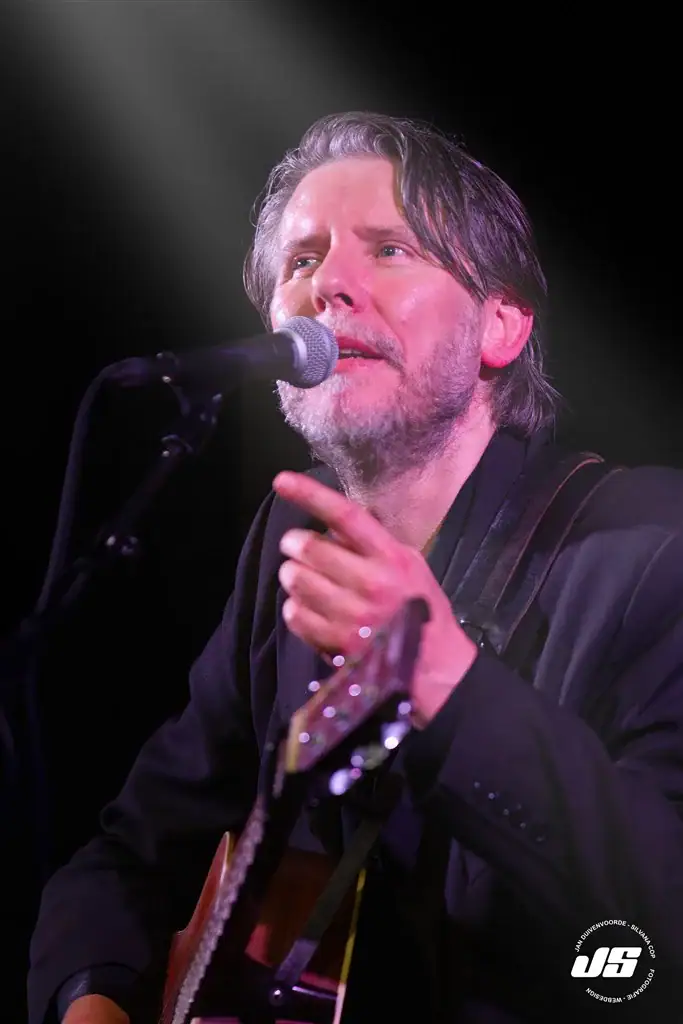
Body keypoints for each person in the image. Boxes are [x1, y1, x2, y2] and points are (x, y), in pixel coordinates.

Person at [27, 111, 683, 1024]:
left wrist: (451, 692)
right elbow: (136, 847)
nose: (326, 285)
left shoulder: (650, 547)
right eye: (301, 261)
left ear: (499, 325)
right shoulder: (290, 545)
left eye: (388, 250)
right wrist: (91, 995)